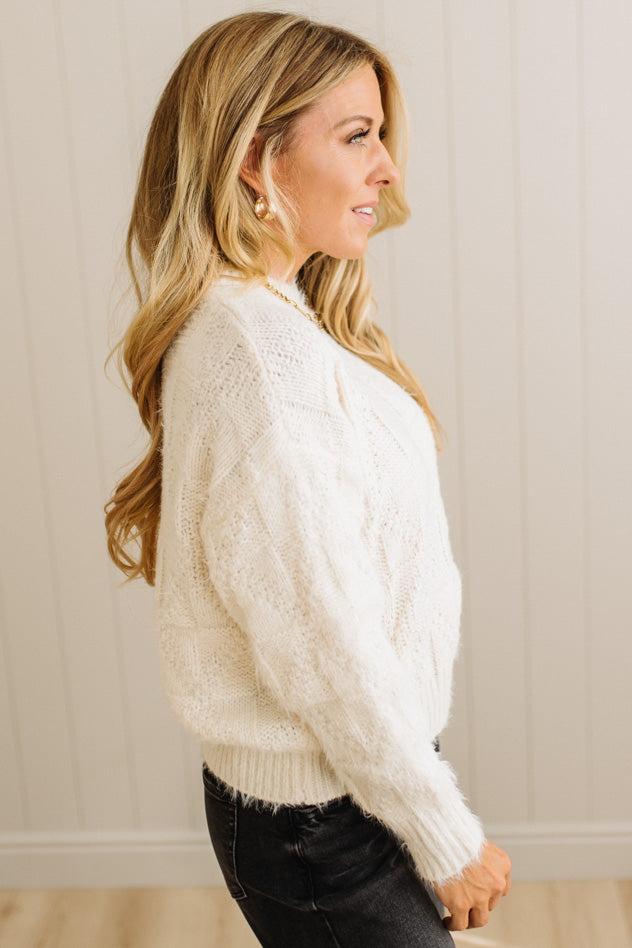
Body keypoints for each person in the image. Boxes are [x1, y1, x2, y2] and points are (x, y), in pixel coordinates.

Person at [104, 10, 511, 945]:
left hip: (348, 782)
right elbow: (320, 637)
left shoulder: (269, 325)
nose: (388, 169)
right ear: (255, 159)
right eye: (357, 136)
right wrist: (443, 833)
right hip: (323, 817)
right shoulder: (259, 358)